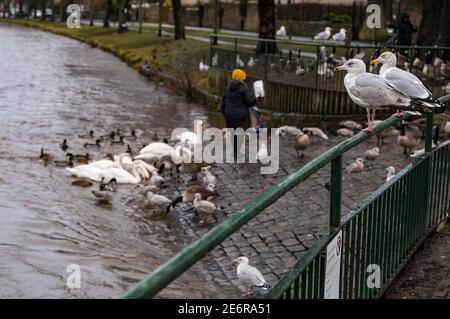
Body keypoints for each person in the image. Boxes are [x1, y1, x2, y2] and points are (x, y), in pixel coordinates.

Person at [221, 69, 257, 159]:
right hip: (240, 115)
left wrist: (224, 112)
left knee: (233, 132)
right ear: (242, 78)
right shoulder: (243, 88)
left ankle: (234, 151)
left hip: (229, 113)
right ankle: (238, 153)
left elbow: (223, 101)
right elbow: (249, 102)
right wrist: (257, 98)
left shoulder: (228, 87)